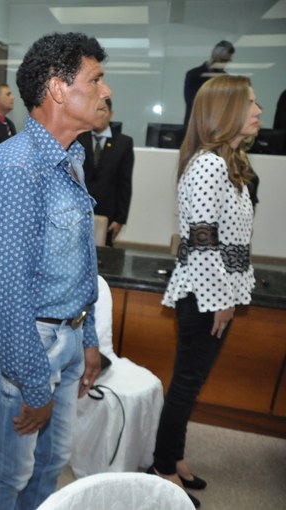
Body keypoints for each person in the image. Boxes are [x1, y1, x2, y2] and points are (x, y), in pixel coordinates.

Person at [0, 32, 108, 509]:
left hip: (68, 335)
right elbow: (7, 297)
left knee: (51, 462)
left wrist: (88, 338)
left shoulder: (68, 158)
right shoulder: (18, 169)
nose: (106, 92)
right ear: (58, 89)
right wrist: (33, 384)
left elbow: (79, 262)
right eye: (96, 80)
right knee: (11, 473)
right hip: (30, 343)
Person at [148, 74, 261, 509]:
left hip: (214, 290)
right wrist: (223, 300)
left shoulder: (229, 162)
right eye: (251, 103)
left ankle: (174, 457)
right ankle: (162, 467)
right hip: (205, 294)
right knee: (186, 385)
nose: (259, 111)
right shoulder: (209, 164)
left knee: (191, 384)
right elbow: (202, 240)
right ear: (226, 111)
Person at [76, 97, 134, 246]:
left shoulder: (123, 143)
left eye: (102, 110)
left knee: (104, 257)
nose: (98, 114)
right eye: (94, 110)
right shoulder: (77, 139)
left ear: (110, 114)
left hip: (108, 214)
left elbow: (125, 184)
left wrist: (120, 219)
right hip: (77, 214)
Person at [183, 40, 235, 125]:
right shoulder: (193, 74)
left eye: (227, 61)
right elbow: (192, 102)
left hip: (218, 126)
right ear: (213, 55)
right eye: (222, 60)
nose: (224, 64)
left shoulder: (226, 79)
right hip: (195, 125)